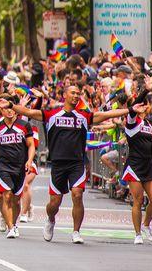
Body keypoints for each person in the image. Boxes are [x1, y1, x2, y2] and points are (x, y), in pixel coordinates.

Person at [11, 83, 128, 244]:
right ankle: (51, 219)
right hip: (58, 164)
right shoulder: (52, 114)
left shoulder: (83, 116)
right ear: (65, 95)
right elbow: (29, 112)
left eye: (78, 93)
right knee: (54, 203)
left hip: (77, 164)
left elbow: (106, 114)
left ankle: (76, 231)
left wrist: (130, 110)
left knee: (77, 194)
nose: (76, 95)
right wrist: (11, 105)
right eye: (73, 93)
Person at [0, 95, 35, 238]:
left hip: (19, 166)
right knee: (6, 195)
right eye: (6, 109)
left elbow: (31, 145)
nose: (9, 111)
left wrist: (29, 160)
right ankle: (11, 227)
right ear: (1, 110)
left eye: (11, 108)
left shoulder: (24, 125)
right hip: (3, 166)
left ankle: (14, 222)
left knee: (15, 199)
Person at [121, 94, 152, 245]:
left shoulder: (148, 124)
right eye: (141, 104)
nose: (144, 107)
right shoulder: (132, 122)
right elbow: (132, 110)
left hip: (148, 166)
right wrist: (145, 90)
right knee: (138, 200)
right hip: (134, 165)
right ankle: (137, 233)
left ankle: (146, 224)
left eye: (146, 105)